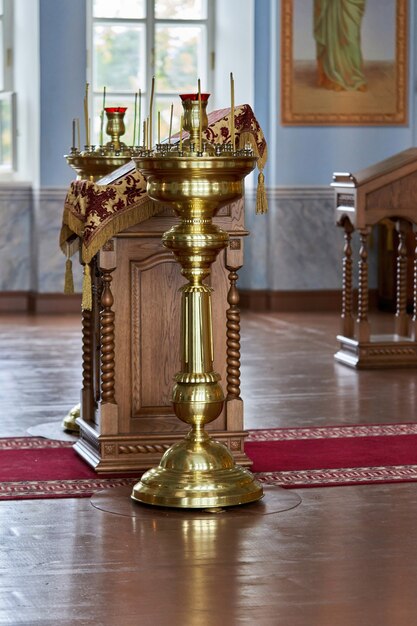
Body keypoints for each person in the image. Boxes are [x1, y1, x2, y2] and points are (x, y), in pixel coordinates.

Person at [314, 0, 367, 92]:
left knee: (351, 39)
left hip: (350, 4)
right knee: (334, 36)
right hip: (333, 4)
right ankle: (336, 78)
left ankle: (356, 77)